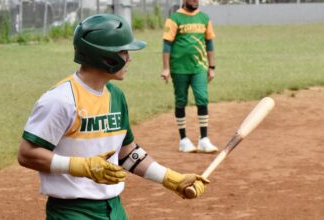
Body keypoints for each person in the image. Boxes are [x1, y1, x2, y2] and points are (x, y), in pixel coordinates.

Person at [17, 14, 209, 219]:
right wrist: (82, 167)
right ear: (105, 57)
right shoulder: (61, 100)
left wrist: (171, 179)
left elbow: (127, 152)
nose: (129, 58)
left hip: (114, 209)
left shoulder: (115, 96)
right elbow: (27, 154)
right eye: (124, 51)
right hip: (72, 212)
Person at [161, 0, 218, 153]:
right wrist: (166, 68)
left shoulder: (204, 18)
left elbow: (210, 44)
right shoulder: (174, 19)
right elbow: (167, 45)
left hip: (199, 67)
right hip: (179, 68)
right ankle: (183, 140)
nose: (195, 1)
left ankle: (204, 139)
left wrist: (212, 67)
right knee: (180, 101)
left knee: (202, 98)